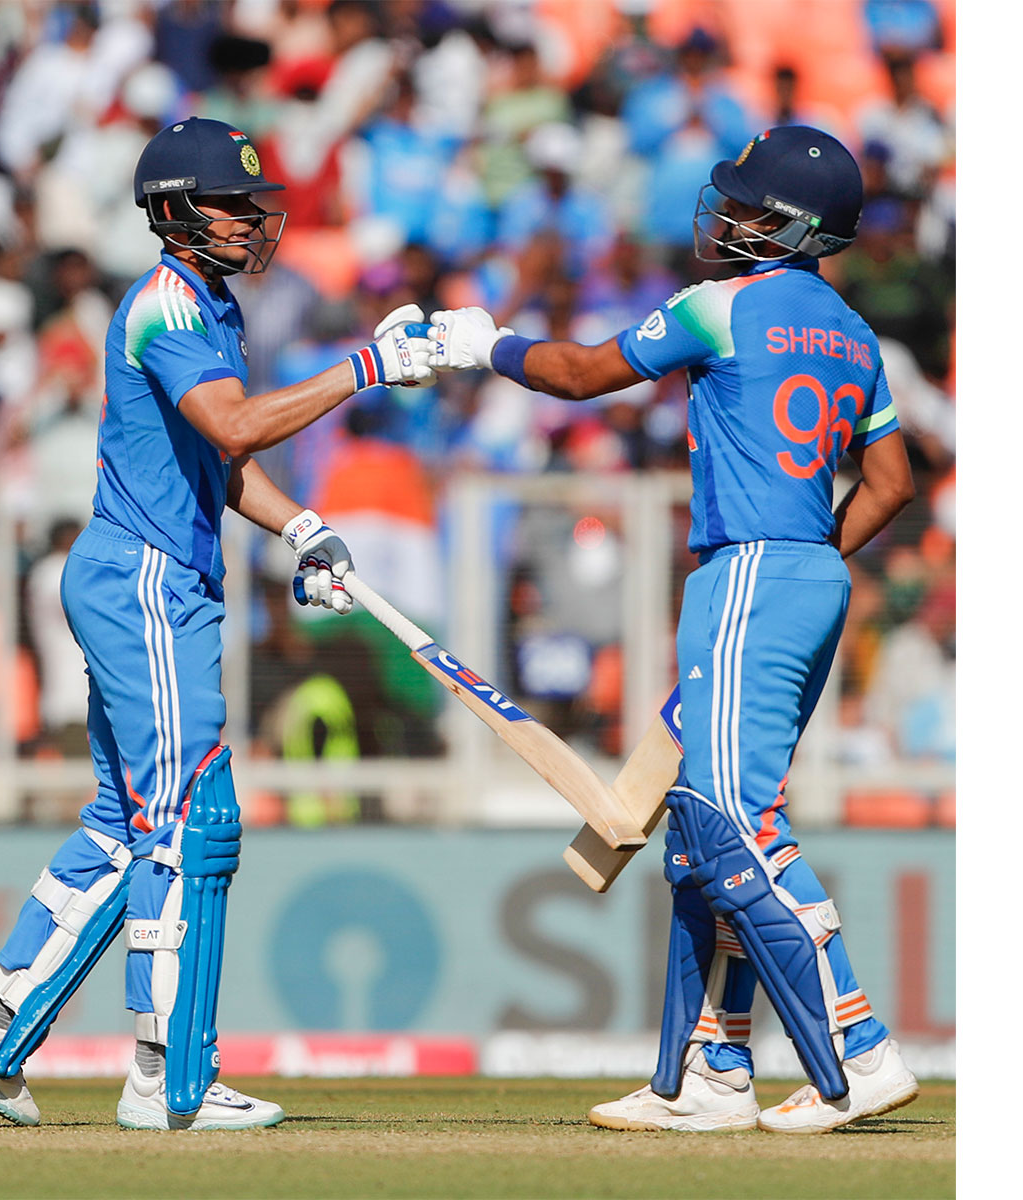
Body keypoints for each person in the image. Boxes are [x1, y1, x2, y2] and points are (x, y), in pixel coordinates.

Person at [0, 117, 435, 1132]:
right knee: (193, 819)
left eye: (254, 206)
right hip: (147, 582)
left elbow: (220, 461)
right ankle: (167, 1080)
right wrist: (368, 367)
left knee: (123, 824)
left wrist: (300, 526)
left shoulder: (205, 306)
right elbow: (235, 425)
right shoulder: (167, 307)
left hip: (149, 577)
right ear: (171, 211)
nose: (252, 223)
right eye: (230, 206)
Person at [427, 126, 919, 1134]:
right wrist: (814, 551)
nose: (726, 218)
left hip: (744, 571)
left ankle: (859, 1049)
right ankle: (713, 1068)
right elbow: (893, 483)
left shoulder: (721, 308)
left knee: (735, 824)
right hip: (805, 573)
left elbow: (575, 375)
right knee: (700, 836)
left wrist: (484, 345)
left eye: (745, 206)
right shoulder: (855, 335)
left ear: (783, 225)